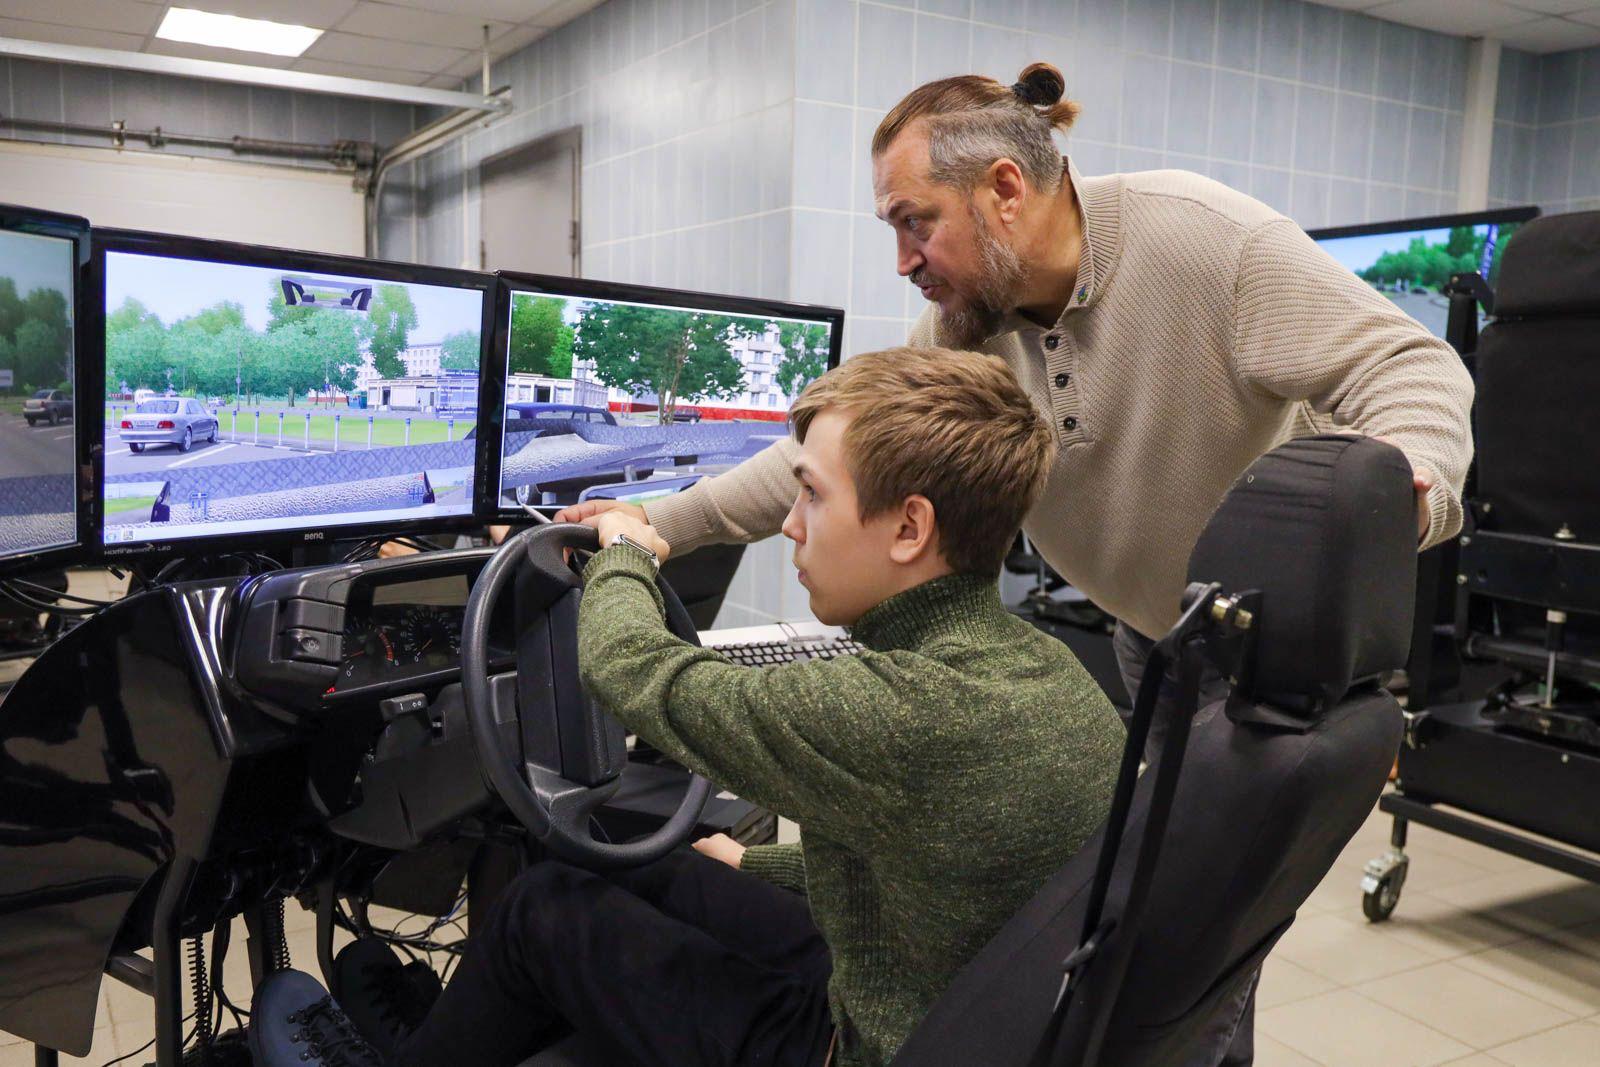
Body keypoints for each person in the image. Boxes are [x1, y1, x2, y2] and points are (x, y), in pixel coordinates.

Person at [556, 63, 1475, 1066]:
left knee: (1185, 956)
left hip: (1261, 646)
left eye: (915, 222)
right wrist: (658, 521)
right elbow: (829, 458)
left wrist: (1389, 509)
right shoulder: (971, 321)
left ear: (1003, 189)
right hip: (1153, 635)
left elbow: (1410, 366)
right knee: (1113, 919)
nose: (903, 260)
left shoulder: (1202, 239)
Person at [248, 347, 1125, 1067]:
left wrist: (625, 551)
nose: (790, 525)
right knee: (655, 865)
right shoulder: (1045, 671)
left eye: (812, 493)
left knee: (542, 909)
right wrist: (756, 867)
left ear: (910, 528)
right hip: (941, 1001)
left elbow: (635, 671)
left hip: (859, 1046)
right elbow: (937, 870)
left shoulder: (900, 709)